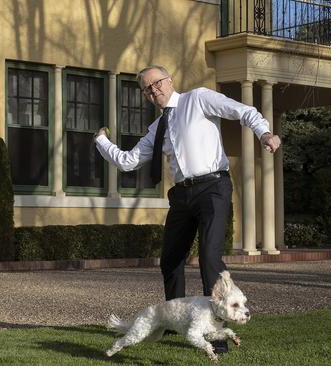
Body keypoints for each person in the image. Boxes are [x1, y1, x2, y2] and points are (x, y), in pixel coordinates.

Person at [94, 65, 280, 353]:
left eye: (156, 83)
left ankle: (217, 337)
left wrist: (264, 133)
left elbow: (244, 111)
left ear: (169, 81)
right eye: (147, 88)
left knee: (209, 256)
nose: (153, 90)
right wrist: (101, 141)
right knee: (170, 260)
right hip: (181, 195)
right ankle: (173, 322)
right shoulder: (157, 128)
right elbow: (128, 161)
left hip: (213, 188)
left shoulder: (199, 98)